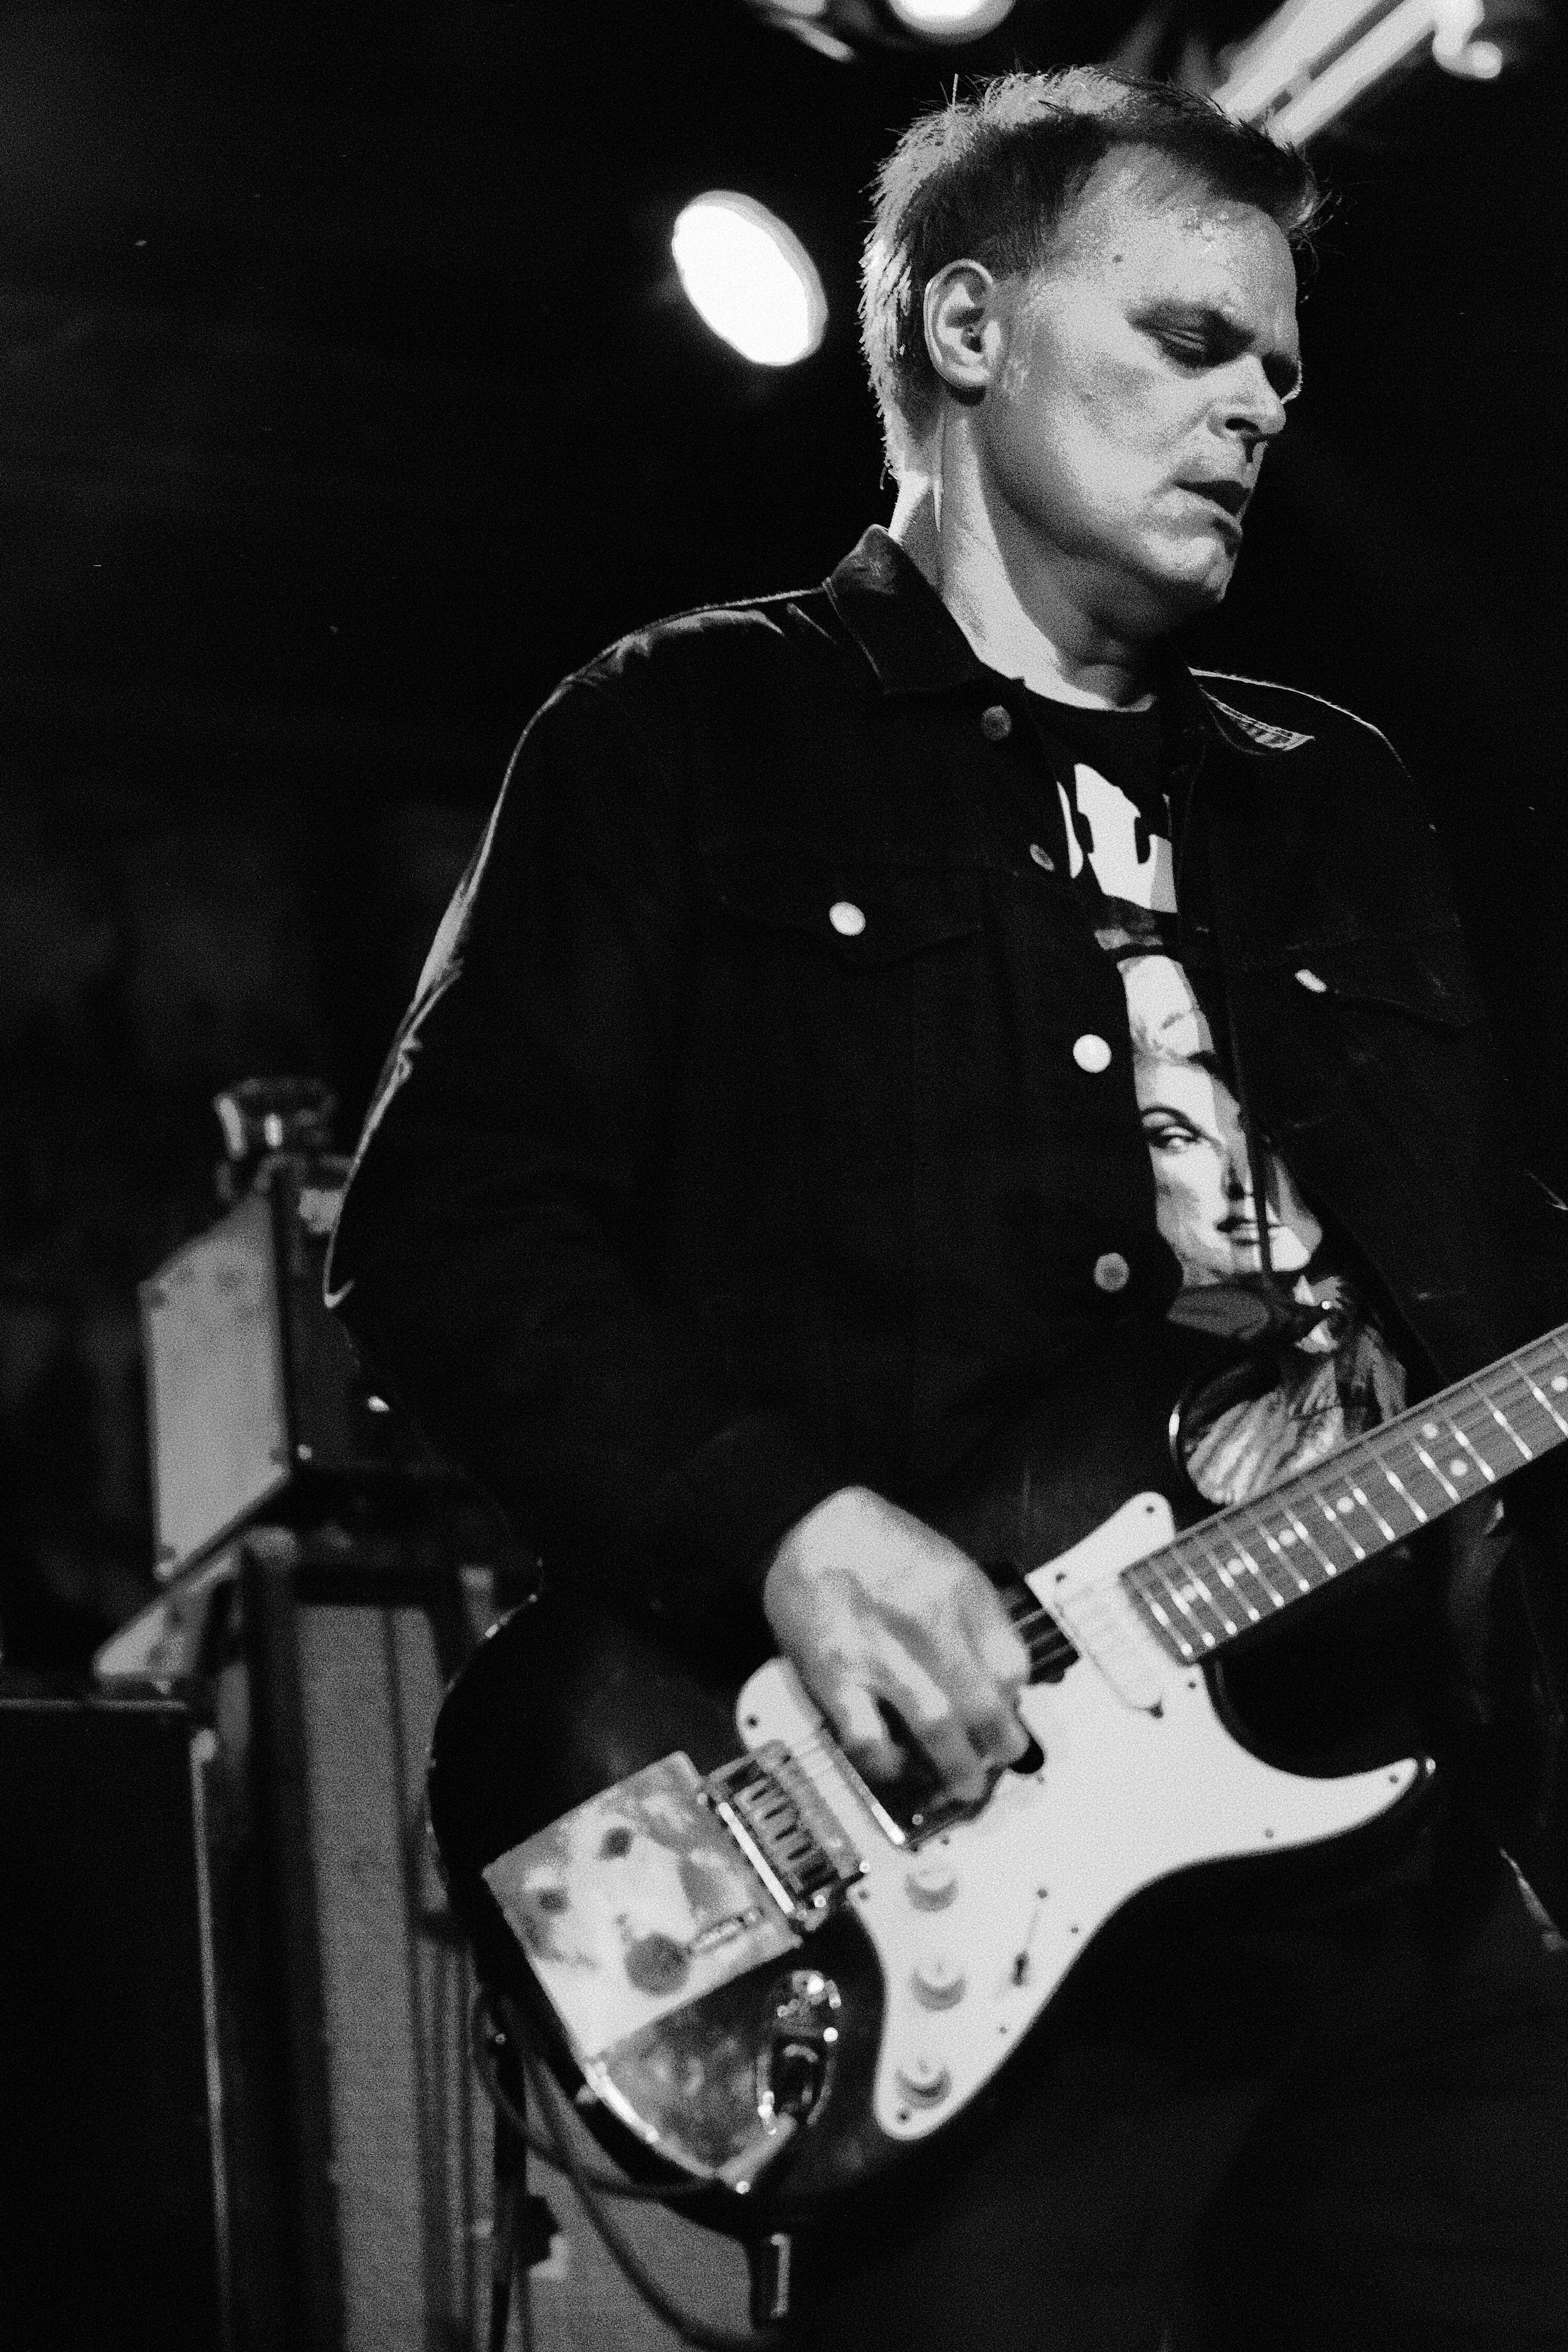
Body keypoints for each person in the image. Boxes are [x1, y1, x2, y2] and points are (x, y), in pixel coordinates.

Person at [327, 71, 1568, 2352]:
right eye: (1192, 340)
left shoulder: (1341, 799)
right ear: (972, 327)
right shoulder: (684, 733)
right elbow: (443, 1230)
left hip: (1388, 1875)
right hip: (962, 1886)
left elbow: (1486, 1283)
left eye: (1282, 367)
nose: (1258, 406)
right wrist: (789, 1523)